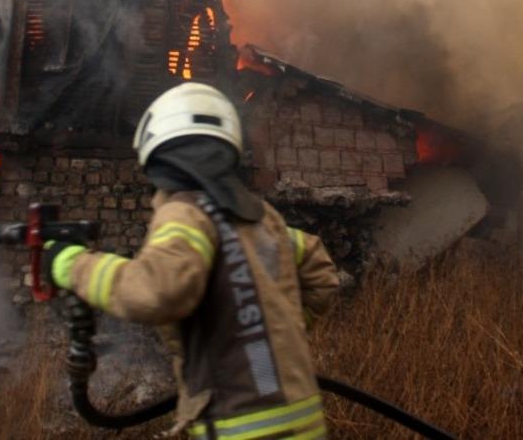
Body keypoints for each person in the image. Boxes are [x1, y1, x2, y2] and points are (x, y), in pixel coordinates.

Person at [43, 82, 340, 439]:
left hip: (238, 429)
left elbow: (157, 292)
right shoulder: (264, 220)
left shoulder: (186, 214)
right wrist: (281, 328)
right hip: (305, 424)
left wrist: (71, 264)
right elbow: (320, 271)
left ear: (159, 152)